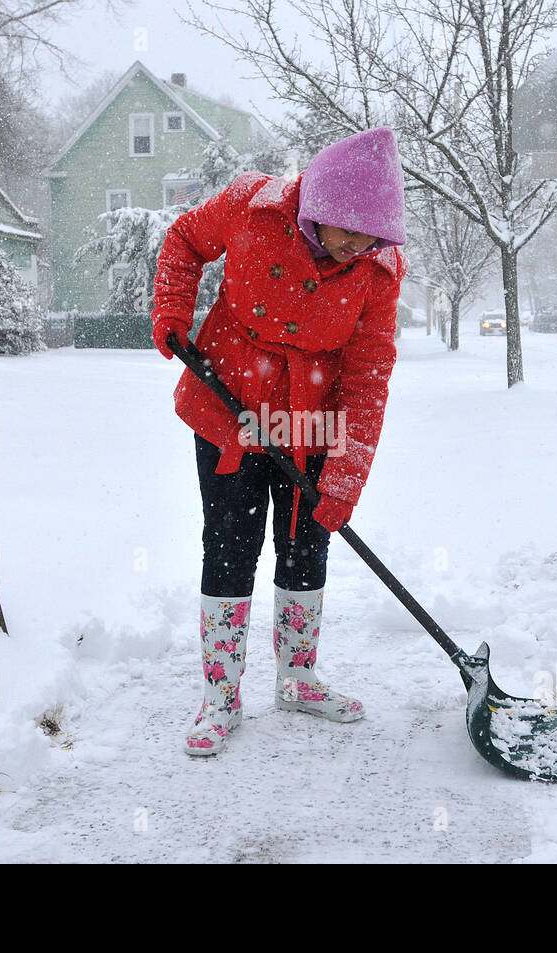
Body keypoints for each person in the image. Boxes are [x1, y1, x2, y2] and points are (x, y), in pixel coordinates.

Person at [150, 126, 408, 756]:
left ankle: (297, 679)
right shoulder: (250, 204)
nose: (356, 244)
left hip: (310, 421)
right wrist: (172, 311)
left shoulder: (378, 271)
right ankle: (221, 694)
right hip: (228, 403)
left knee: (305, 548)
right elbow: (184, 240)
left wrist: (343, 480)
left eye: (370, 233)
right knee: (230, 545)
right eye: (347, 228)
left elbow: (368, 376)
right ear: (314, 205)